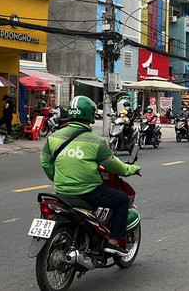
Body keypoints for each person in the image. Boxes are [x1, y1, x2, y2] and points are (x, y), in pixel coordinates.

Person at [40, 96, 141, 255]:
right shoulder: (95, 141)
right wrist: (131, 169)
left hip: (61, 193)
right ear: (89, 114)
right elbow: (113, 165)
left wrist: (60, 179)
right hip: (89, 193)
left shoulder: (53, 137)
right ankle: (114, 241)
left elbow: (45, 162)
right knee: (121, 200)